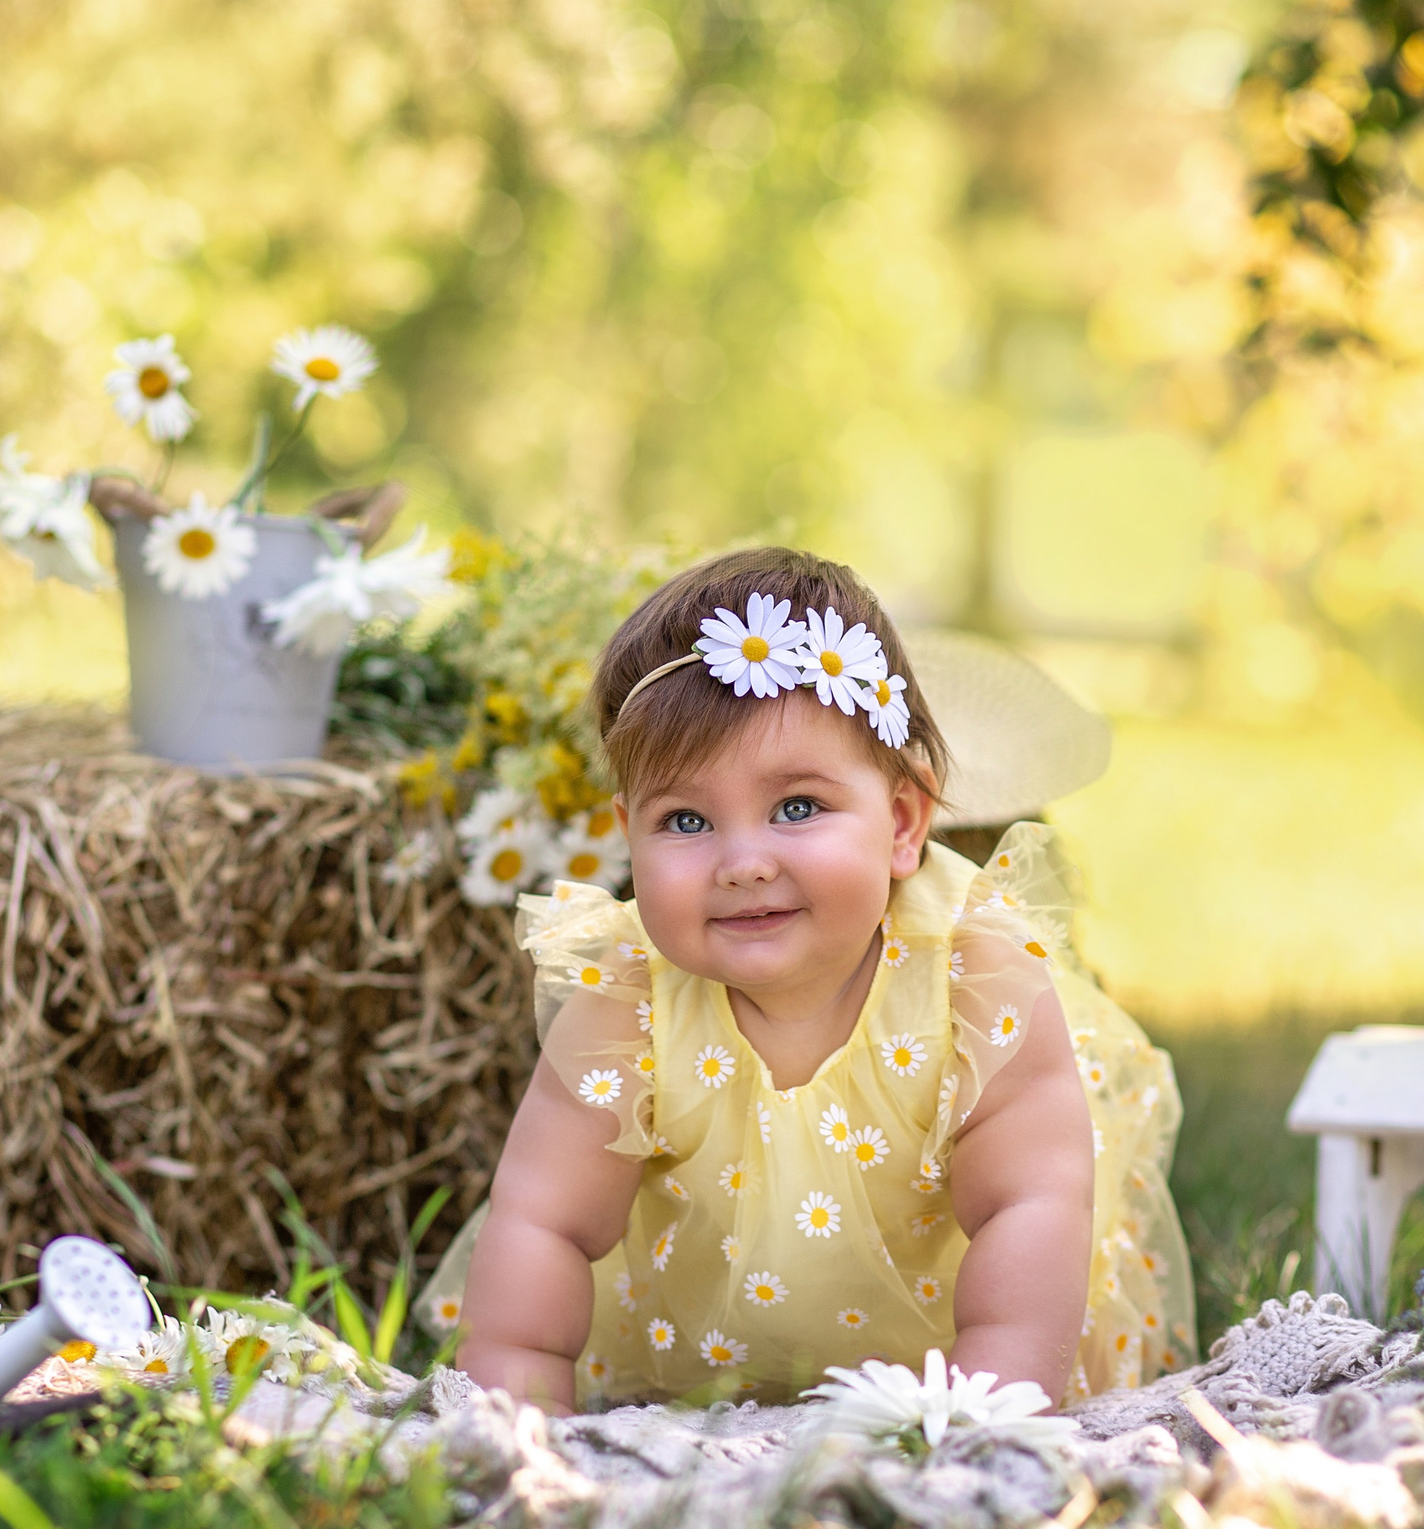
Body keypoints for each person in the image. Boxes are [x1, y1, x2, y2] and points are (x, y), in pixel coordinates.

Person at [434, 547, 1193, 1412]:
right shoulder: (629, 996)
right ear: (625, 838)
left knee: (1028, 1280)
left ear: (903, 820)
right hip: (708, 1347)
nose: (744, 862)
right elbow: (543, 1221)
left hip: (964, 1341)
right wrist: (513, 1407)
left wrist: (989, 1414)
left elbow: (1031, 1205)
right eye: (685, 819)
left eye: (797, 807)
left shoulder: (973, 973)